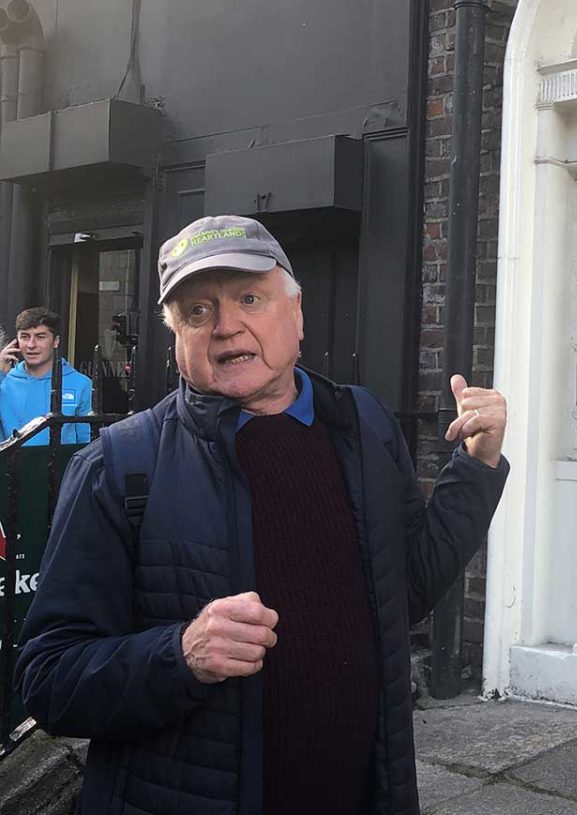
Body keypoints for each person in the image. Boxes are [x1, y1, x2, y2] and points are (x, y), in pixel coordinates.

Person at [15, 215, 509, 815]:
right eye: (197, 312)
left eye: (250, 297)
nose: (227, 327)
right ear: (176, 342)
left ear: (296, 314)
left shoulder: (362, 425)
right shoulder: (119, 465)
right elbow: (48, 679)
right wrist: (182, 654)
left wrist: (476, 469)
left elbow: (404, 593)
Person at [0, 307, 92, 445]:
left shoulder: (80, 383)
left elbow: (86, 442)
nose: (31, 345)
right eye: (25, 337)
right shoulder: (5, 381)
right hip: (10, 464)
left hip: (60, 465)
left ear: (56, 341)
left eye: (40, 337)